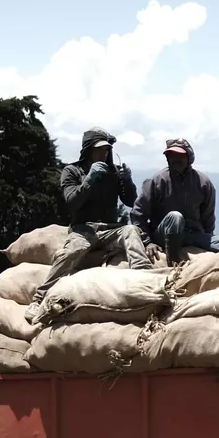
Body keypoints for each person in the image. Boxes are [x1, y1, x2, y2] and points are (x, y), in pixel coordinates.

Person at [27, 127, 151, 319]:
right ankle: (40, 298)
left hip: (111, 229)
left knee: (132, 231)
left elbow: (130, 201)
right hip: (83, 229)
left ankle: (145, 279)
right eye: (99, 150)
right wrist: (90, 179)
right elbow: (72, 202)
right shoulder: (72, 171)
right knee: (70, 252)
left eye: (106, 150)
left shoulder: (113, 172)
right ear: (88, 150)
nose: (103, 153)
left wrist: (127, 181)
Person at [134, 137, 219, 261]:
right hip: (163, 234)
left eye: (180, 156)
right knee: (175, 217)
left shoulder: (203, 183)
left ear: (189, 158)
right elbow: (138, 214)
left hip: (193, 235)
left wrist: (207, 242)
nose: (175, 159)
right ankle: (174, 263)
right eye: (171, 156)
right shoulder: (158, 180)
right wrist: (147, 242)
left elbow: (208, 217)